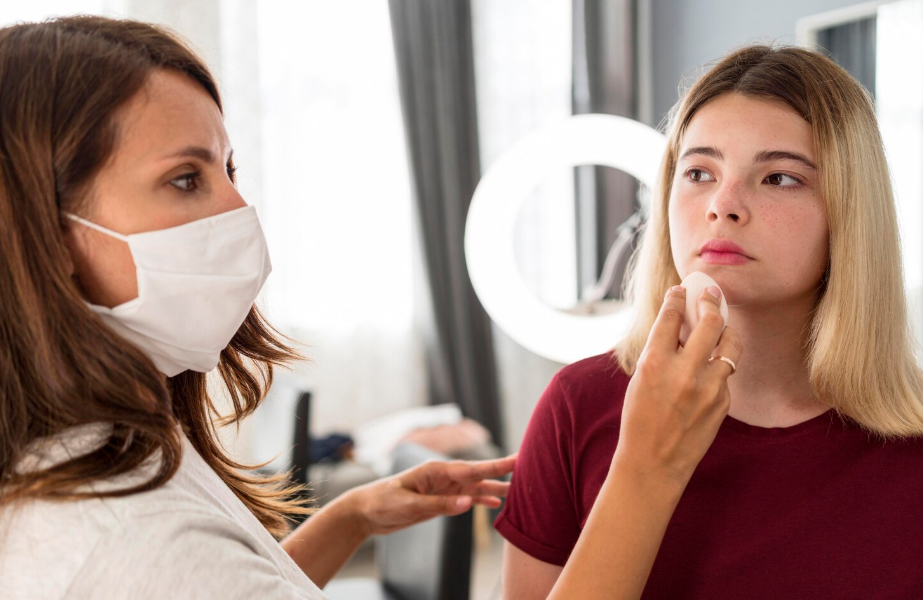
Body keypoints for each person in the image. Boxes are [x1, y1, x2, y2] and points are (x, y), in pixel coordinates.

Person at [0, 16, 514, 600]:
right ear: (47, 232)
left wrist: (352, 518)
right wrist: (613, 502)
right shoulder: (138, 537)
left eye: (229, 169)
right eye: (185, 178)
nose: (238, 208)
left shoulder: (93, 460)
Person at [497, 44, 923, 599]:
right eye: (699, 171)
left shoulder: (909, 448)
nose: (723, 204)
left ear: (850, 212)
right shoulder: (576, 408)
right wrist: (646, 468)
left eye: (779, 178)